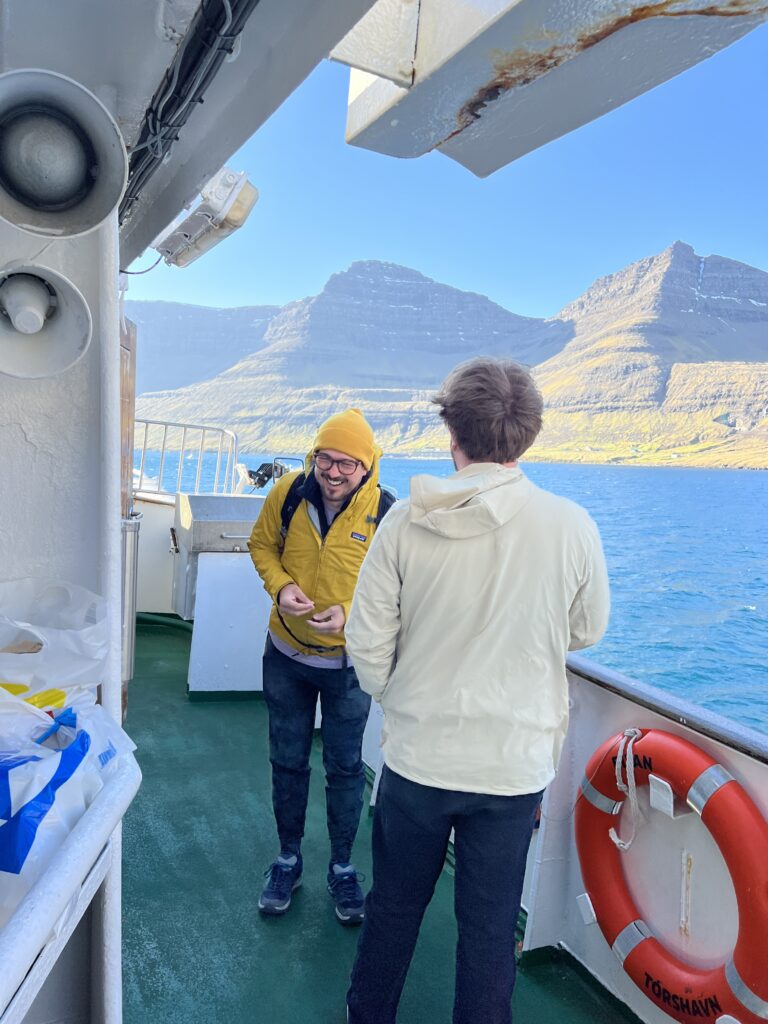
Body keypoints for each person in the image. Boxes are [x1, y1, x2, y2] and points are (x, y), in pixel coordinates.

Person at [344, 358, 610, 1024]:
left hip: (418, 760)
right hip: (512, 769)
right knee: (490, 930)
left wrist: (402, 701)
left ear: (450, 430)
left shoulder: (403, 522)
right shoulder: (570, 525)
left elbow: (367, 644)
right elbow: (587, 629)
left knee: (394, 910)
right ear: (528, 434)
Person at [247, 408, 389, 926]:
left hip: (348, 667)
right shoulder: (287, 493)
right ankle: (287, 859)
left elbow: (397, 592)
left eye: (347, 464)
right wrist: (281, 586)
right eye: (325, 459)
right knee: (287, 760)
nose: (332, 473)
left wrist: (349, 618)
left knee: (346, 768)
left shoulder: (386, 515)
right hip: (285, 657)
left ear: (367, 466)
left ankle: (343, 868)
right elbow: (262, 546)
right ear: (313, 457)